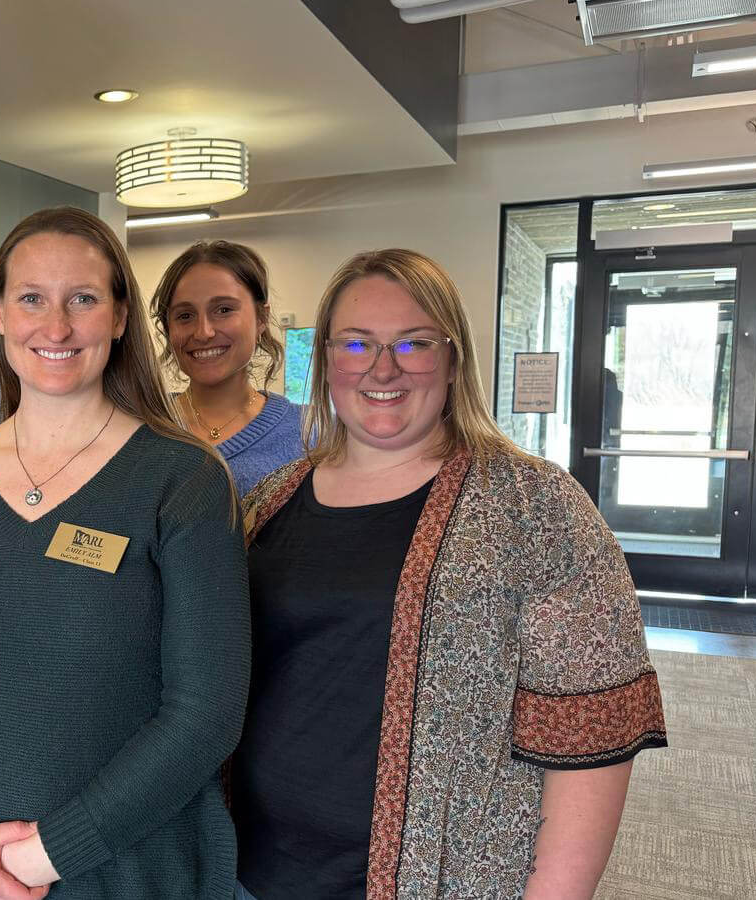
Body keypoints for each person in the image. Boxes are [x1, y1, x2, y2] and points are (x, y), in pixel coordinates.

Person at [233, 249, 667, 900]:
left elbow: (593, 730)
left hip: (442, 882)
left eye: (414, 343)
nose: (383, 368)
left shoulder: (534, 507)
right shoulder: (270, 500)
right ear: (325, 360)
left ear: (454, 358)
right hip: (253, 871)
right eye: (357, 343)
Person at [0, 207, 250, 899]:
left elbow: (206, 714)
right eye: (31, 299)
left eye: (82, 299)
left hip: (133, 877)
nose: (55, 327)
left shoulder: (183, 480)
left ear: (119, 315)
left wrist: (44, 857)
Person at [151, 241, 303, 495]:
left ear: (261, 318)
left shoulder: (308, 434)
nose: (204, 332)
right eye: (185, 315)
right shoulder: (138, 426)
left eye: (223, 310)